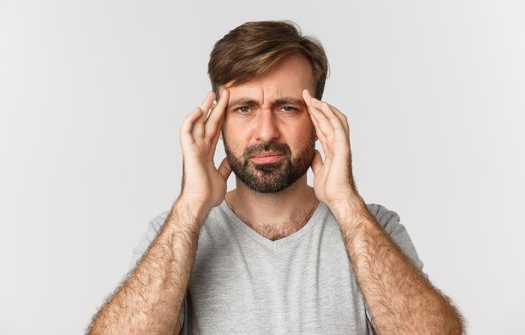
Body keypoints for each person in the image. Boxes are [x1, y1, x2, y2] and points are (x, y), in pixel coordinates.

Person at [87, 20, 464, 335]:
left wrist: (347, 204)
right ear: (217, 122)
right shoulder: (175, 235)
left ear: (319, 119)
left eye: (287, 108)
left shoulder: (374, 228)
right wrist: (189, 208)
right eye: (245, 108)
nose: (265, 131)